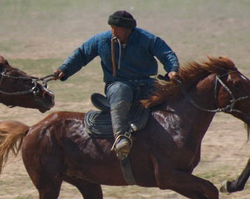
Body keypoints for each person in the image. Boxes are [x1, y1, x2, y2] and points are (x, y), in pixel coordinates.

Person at [53, 10, 179, 158]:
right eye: (111, 27)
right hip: (117, 84)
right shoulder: (102, 40)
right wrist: (64, 69)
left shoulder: (147, 39)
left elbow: (166, 53)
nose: (112, 31)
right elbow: (82, 54)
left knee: (169, 96)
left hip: (146, 83)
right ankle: (121, 137)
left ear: (127, 30)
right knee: (121, 90)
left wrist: (172, 70)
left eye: (116, 28)